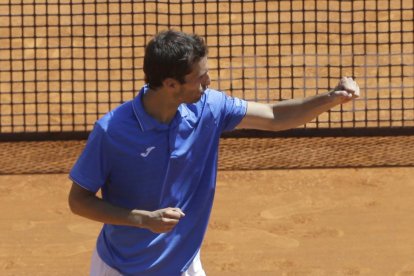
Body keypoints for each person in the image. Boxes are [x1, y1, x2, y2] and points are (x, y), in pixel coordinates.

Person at [68, 29, 360, 276]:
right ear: (171, 85)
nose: (208, 82)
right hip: (121, 268)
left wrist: (331, 98)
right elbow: (78, 201)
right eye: (200, 77)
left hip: (183, 265)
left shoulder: (209, 107)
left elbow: (273, 116)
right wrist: (142, 219)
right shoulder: (112, 132)